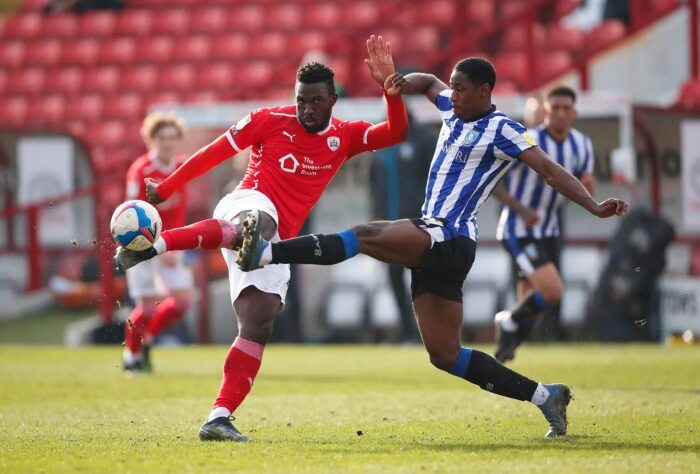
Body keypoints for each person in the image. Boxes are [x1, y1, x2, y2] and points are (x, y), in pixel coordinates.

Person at [236, 55, 628, 438]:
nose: (451, 94)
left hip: (450, 234)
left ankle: (265, 252)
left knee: (365, 235)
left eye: (460, 88)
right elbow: (427, 83)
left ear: (484, 90)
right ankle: (546, 396)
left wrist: (593, 206)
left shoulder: (502, 129)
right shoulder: (452, 108)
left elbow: (549, 170)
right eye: (452, 86)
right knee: (446, 355)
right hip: (440, 242)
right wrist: (397, 82)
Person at [115, 36, 409, 442]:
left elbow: (396, 132)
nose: (306, 108)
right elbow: (212, 153)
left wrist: (389, 90)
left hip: (277, 240)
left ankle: (218, 417)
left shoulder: (346, 136)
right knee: (258, 220)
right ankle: (156, 245)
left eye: (315, 102)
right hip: (246, 202)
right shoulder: (269, 119)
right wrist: (166, 188)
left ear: (332, 101)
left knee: (260, 321)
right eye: (300, 99)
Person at [492, 86, 596, 363]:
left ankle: (505, 347)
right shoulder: (527, 140)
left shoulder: (582, 145)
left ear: (574, 113)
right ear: (546, 111)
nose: (561, 114)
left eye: (566, 109)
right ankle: (507, 322)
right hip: (518, 229)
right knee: (552, 290)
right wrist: (521, 208)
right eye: (555, 108)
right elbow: (494, 183)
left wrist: (587, 187)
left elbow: (581, 182)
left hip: (549, 230)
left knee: (531, 305)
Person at [121, 113, 194, 373]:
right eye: (162, 138)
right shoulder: (140, 170)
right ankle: (131, 355)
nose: (167, 143)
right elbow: (130, 213)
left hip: (170, 243)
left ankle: (146, 339)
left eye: (173, 138)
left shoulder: (182, 166)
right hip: (140, 245)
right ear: (152, 139)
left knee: (183, 303)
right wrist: (155, 246)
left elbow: (180, 209)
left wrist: (172, 244)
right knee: (147, 307)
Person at [369, 111, 436, 342]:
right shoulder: (381, 146)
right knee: (394, 278)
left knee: (425, 279)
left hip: (419, 227)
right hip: (388, 227)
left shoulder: (425, 141)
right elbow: (374, 184)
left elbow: (435, 181)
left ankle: (429, 331)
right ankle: (408, 330)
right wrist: (376, 215)